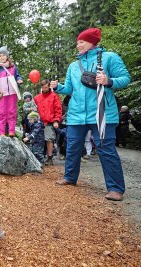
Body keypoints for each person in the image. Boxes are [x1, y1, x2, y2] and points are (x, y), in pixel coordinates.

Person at [51, 28, 131, 201]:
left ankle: (115, 189)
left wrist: (109, 81)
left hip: (102, 114)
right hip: (76, 115)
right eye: (77, 42)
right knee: (72, 147)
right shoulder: (73, 66)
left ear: (92, 42)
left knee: (106, 150)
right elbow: (69, 89)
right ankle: (70, 178)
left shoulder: (109, 58)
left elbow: (125, 78)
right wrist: (58, 87)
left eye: (81, 42)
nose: (78, 45)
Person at [0, 46, 23, 137]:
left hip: (12, 93)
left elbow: (18, 76)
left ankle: (11, 131)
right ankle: (1, 132)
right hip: (2, 94)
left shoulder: (13, 67)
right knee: (2, 113)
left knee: (12, 112)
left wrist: (19, 80)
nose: (2, 57)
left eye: (3, 55)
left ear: (7, 56)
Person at [33, 79, 62, 165]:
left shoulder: (54, 96)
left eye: (46, 87)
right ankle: (39, 156)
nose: (44, 89)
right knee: (38, 140)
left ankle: (50, 158)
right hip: (39, 122)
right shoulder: (37, 98)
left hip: (49, 122)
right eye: (43, 87)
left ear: (49, 86)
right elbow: (33, 110)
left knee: (49, 139)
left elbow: (58, 109)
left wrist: (56, 120)